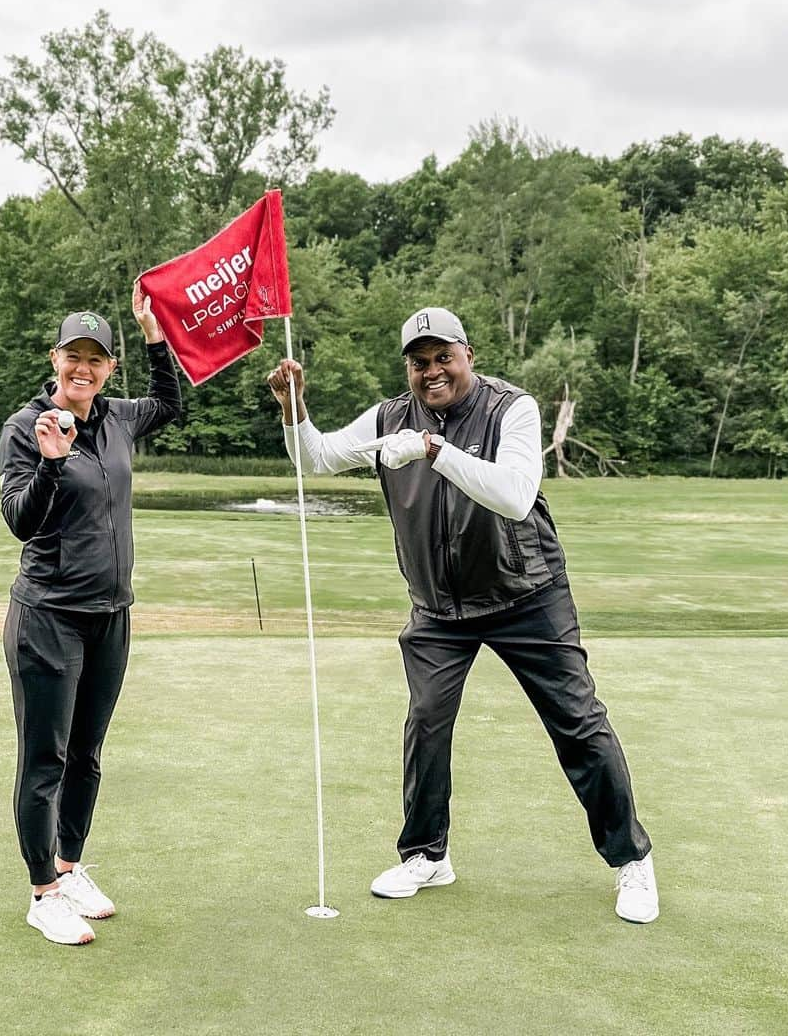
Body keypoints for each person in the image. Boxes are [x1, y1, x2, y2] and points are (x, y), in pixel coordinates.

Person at [266, 307, 658, 923]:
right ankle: (427, 854)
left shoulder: (512, 409)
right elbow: (312, 460)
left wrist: (433, 449)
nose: (432, 372)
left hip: (526, 594)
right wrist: (295, 408)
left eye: (443, 357)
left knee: (578, 724)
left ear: (467, 354)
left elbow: (515, 493)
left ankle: (630, 860)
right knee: (426, 721)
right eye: (419, 363)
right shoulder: (390, 415)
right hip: (439, 609)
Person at [0, 287, 180, 945]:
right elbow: (20, 520)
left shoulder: (117, 417)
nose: (83, 369)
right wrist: (50, 466)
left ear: (108, 367)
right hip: (48, 616)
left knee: (88, 754)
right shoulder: (28, 427)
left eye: (96, 359)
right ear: (56, 359)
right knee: (44, 758)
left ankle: (70, 868)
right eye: (73, 356)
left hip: (110, 615)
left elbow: (172, 402)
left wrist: (155, 335)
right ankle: (42, 891)